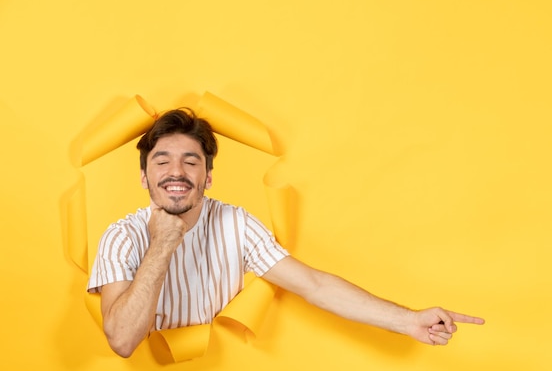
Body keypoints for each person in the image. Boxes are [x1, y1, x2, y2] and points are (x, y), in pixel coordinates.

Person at [87, 108, 485, 358]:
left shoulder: (235, 224)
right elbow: (122, 340)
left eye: (190, 162)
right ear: (144, 177)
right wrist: (162, 243)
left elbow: (313, 285)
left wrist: (408, 321)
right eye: (162, 162)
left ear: (208, 176)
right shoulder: (122, 237)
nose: (176, 172)